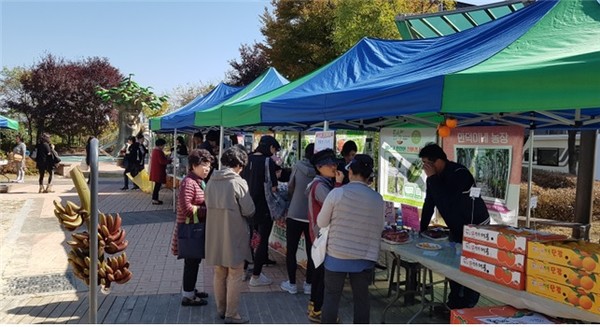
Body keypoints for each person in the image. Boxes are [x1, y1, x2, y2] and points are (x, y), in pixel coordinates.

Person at [418, 143, 490, 314]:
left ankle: (465, 309)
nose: (424, 168)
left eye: (426, 163)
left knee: (470, 268)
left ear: (437, 161)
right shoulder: (434, 178)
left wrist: (432, 178)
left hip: (475, 227)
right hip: (457, 227)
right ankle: (453, 305)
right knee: (453, 267)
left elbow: (448, 202)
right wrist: (422, 229)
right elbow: (430, 202)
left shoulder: (459, 174)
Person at [318, 154, 384, 324]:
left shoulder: (337, 193)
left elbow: (321, 222)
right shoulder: (378, 199)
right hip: (364, 256)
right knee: (362, 299)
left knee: (332, 297)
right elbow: (379, 226)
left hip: (336, 255)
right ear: (369, 176)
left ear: (351, 172)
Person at [205, 145, 255, 324]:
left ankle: (221, 309)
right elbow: (249, 210)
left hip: (214, 234)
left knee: (219, 272)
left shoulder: (211, 180)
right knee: (235, 273)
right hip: (234, 234)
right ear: (239, 165)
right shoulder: (237, 182)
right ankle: (232, 314)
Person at [305, 148, 344, 323]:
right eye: (330, 164)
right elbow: (335, 205)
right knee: (321, 276)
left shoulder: (320, 183)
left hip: (319, 235)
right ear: (319, 167)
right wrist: (338, 184)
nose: (334, 166)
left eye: (335, 163)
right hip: (321, 237)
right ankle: (317, 310)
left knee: (319, 274)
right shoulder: (320, 186)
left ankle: (314, 306)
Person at [170, 149, 213, 306]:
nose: (207, 169)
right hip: (190, 230)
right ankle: (188, 296)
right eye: (204, 165)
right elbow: (186, 208)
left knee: (194, 261)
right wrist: (208, 211)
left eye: (209, 165)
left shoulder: (198, 181)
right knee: (191, 262)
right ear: (194, 165)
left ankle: (190, 289)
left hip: (194, 228)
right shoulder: (189, 182)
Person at [240, 135, 281, 287]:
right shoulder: (267, 161)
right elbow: (273, 187)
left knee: (249, 238)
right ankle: (256, 276)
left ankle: (244, 271)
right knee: (262, 240)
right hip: (263, 207)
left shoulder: (247, 158)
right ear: (269, 147)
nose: (273, 152)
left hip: (247, 205)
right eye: (274, 149)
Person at [280, 143, 316, 295]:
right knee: (312, 251)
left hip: (294, 213)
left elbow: (290, 186)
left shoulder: (297, 166)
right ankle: (309, 284)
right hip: (311, 215)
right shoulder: (320, 170)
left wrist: (294, 197)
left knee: (292, 250)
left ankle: (292, 284)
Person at [149, 138, 172, 205]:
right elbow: (162, 161)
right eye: (163, 145)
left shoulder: (155, 150)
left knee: (157, 185)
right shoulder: (159, 151)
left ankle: (155, 199)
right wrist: (169, 161)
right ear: (160, 145)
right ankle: (155, 199)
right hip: (158, 171)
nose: (163, 147)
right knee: (157, 186)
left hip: (156, 170)